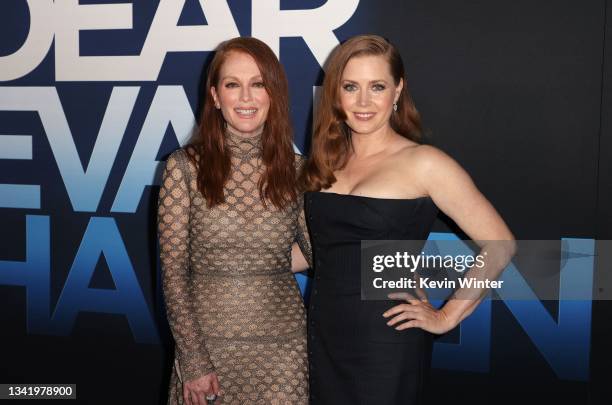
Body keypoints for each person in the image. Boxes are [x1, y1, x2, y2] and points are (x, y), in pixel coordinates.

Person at [297, 34, 516, 404]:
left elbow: (501, 244)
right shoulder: (324, 163)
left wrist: (446, 317)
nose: (363, 102)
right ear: (336, 94)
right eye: (351, 87)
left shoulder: (424, 163)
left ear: (397, 90)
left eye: (377, 87)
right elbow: (316, 251)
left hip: (386, 341)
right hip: (321, 333)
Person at [158, 37, 311, 405]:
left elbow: (318, 249)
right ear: (214, 96)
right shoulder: (183, 168)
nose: (246, 97)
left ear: (273, 93)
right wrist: (193, 360)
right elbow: (173, 274)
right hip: (207, 349)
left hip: (284, 353)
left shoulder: (297, 169)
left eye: (258, 84)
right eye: (232, 85)